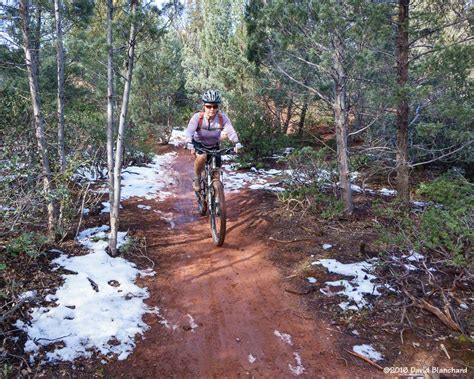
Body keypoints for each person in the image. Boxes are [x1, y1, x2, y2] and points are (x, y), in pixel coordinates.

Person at [185, 90, 242, 192]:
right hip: (199, 144)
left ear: (218, 107)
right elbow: (189, 132)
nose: (212, 109)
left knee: (217, 172)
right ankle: (197, 178)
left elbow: (230, 131)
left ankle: (217, 198)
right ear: (204, 106)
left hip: (214, 145)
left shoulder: (222, 118)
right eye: (209, 106)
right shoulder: (198, 117)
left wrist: (236, 142)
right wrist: (189, 143)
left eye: (215, 106)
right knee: (202, 158)